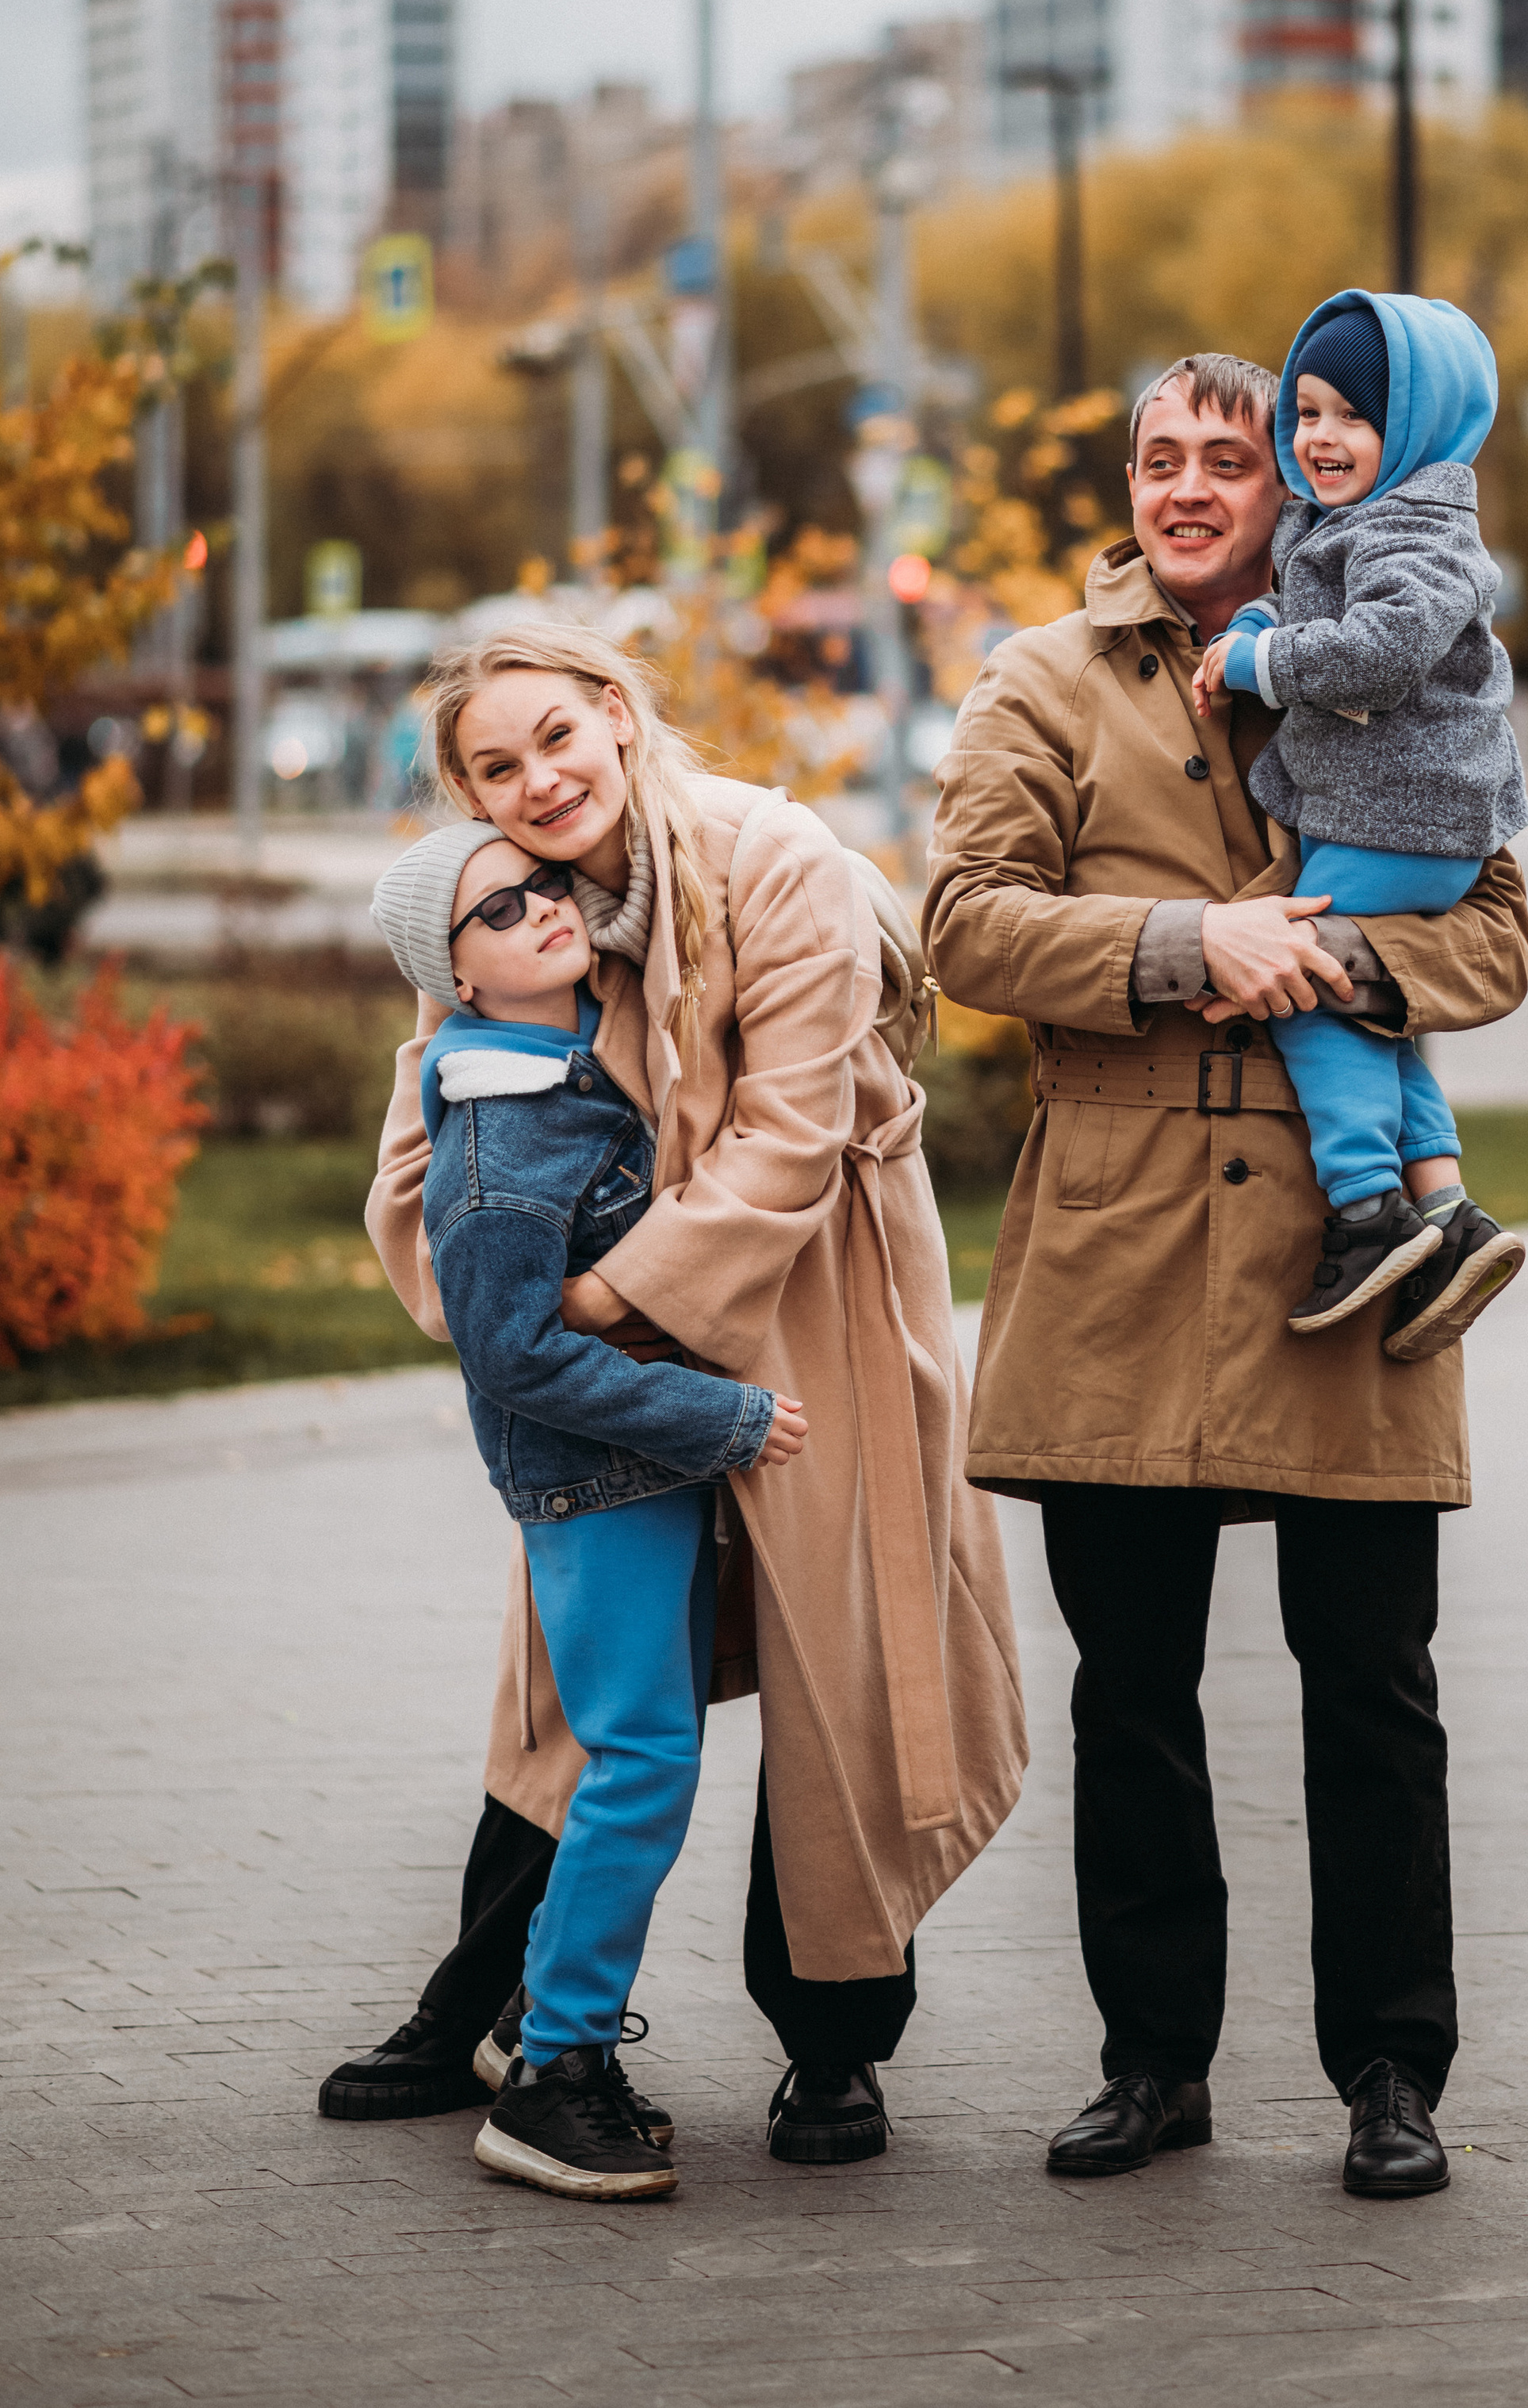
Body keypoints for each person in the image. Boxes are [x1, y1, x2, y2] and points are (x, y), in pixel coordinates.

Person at [923, 351, 1528, 2201]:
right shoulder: (1039, 676)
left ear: (1299, 469)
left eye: (1230, 452)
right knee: (1132, 1684)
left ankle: (1387, 2071)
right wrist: (1198, 940)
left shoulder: (1400, 643)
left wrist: (1338, 967)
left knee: (1371, 1678)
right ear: (1123, 480)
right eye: (1158, 457)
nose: (1190, 484)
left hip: (1346, 1257)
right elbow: (959, 921)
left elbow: (1493, 933)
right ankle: (1151, 2061)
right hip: (1116, 1249)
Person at [319, 623, 1025, 2165]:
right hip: (621, 1342)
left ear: (620, 720)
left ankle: (836, 2043)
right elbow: (425, 1153)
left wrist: (582, 1306)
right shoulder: (503, 913)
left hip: (813, 1291)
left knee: (830, 1652)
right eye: (494, 767)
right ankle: (484, 2001)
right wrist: (513, 1320)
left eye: (557, 737)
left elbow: (789, 1132)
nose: (537, 779)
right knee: (583, 1681)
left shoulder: (777, 863)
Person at [366, 822, 806, 2198]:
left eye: (544, 881)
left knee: (642, 1759)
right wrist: (722, 1419)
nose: (543, 906)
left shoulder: (566, 1062)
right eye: (499, 908)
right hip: (601, 1481)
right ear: (459, 972)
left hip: (639, 1475)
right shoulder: (501, 1127)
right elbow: (509, 1350)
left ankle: (544, 2025)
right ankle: (554, 2067)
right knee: (638, 1766)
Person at [1193, 289, 1528, 1340]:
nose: (1321, 438)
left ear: (1417, 424)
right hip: (1391, 814)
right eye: (1307, 411)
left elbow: (1378, 649)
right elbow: (1304, 603)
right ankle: (1447, 1212)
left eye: (1352, 415)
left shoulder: (1418, 531)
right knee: (1377, 1016)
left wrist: (1257, 659)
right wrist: (1257, 620)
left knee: (1302, 983)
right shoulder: (1344, 521)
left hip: (1408, 816)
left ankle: (1367, 1212)